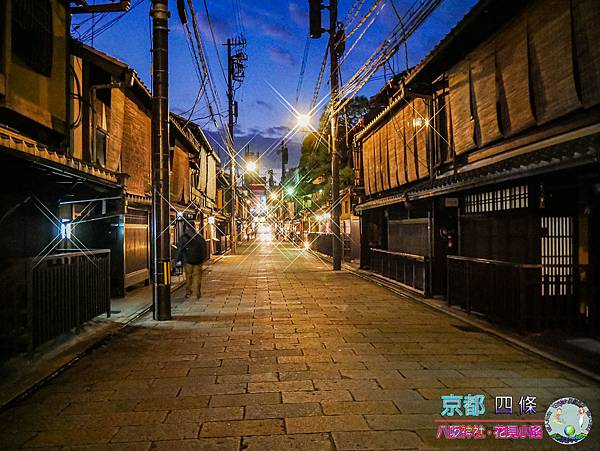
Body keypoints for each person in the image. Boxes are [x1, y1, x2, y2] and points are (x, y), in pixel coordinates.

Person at [177, 227, 207, 299]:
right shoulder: (199, 237)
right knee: (197, 277)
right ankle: (198, 292)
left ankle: (188, 292)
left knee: (188, 277)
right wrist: (203, 259)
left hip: (188, 261)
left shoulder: (183, 238)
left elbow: (180, 249)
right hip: (198, 261)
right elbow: (204, 248)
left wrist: (178, 259)